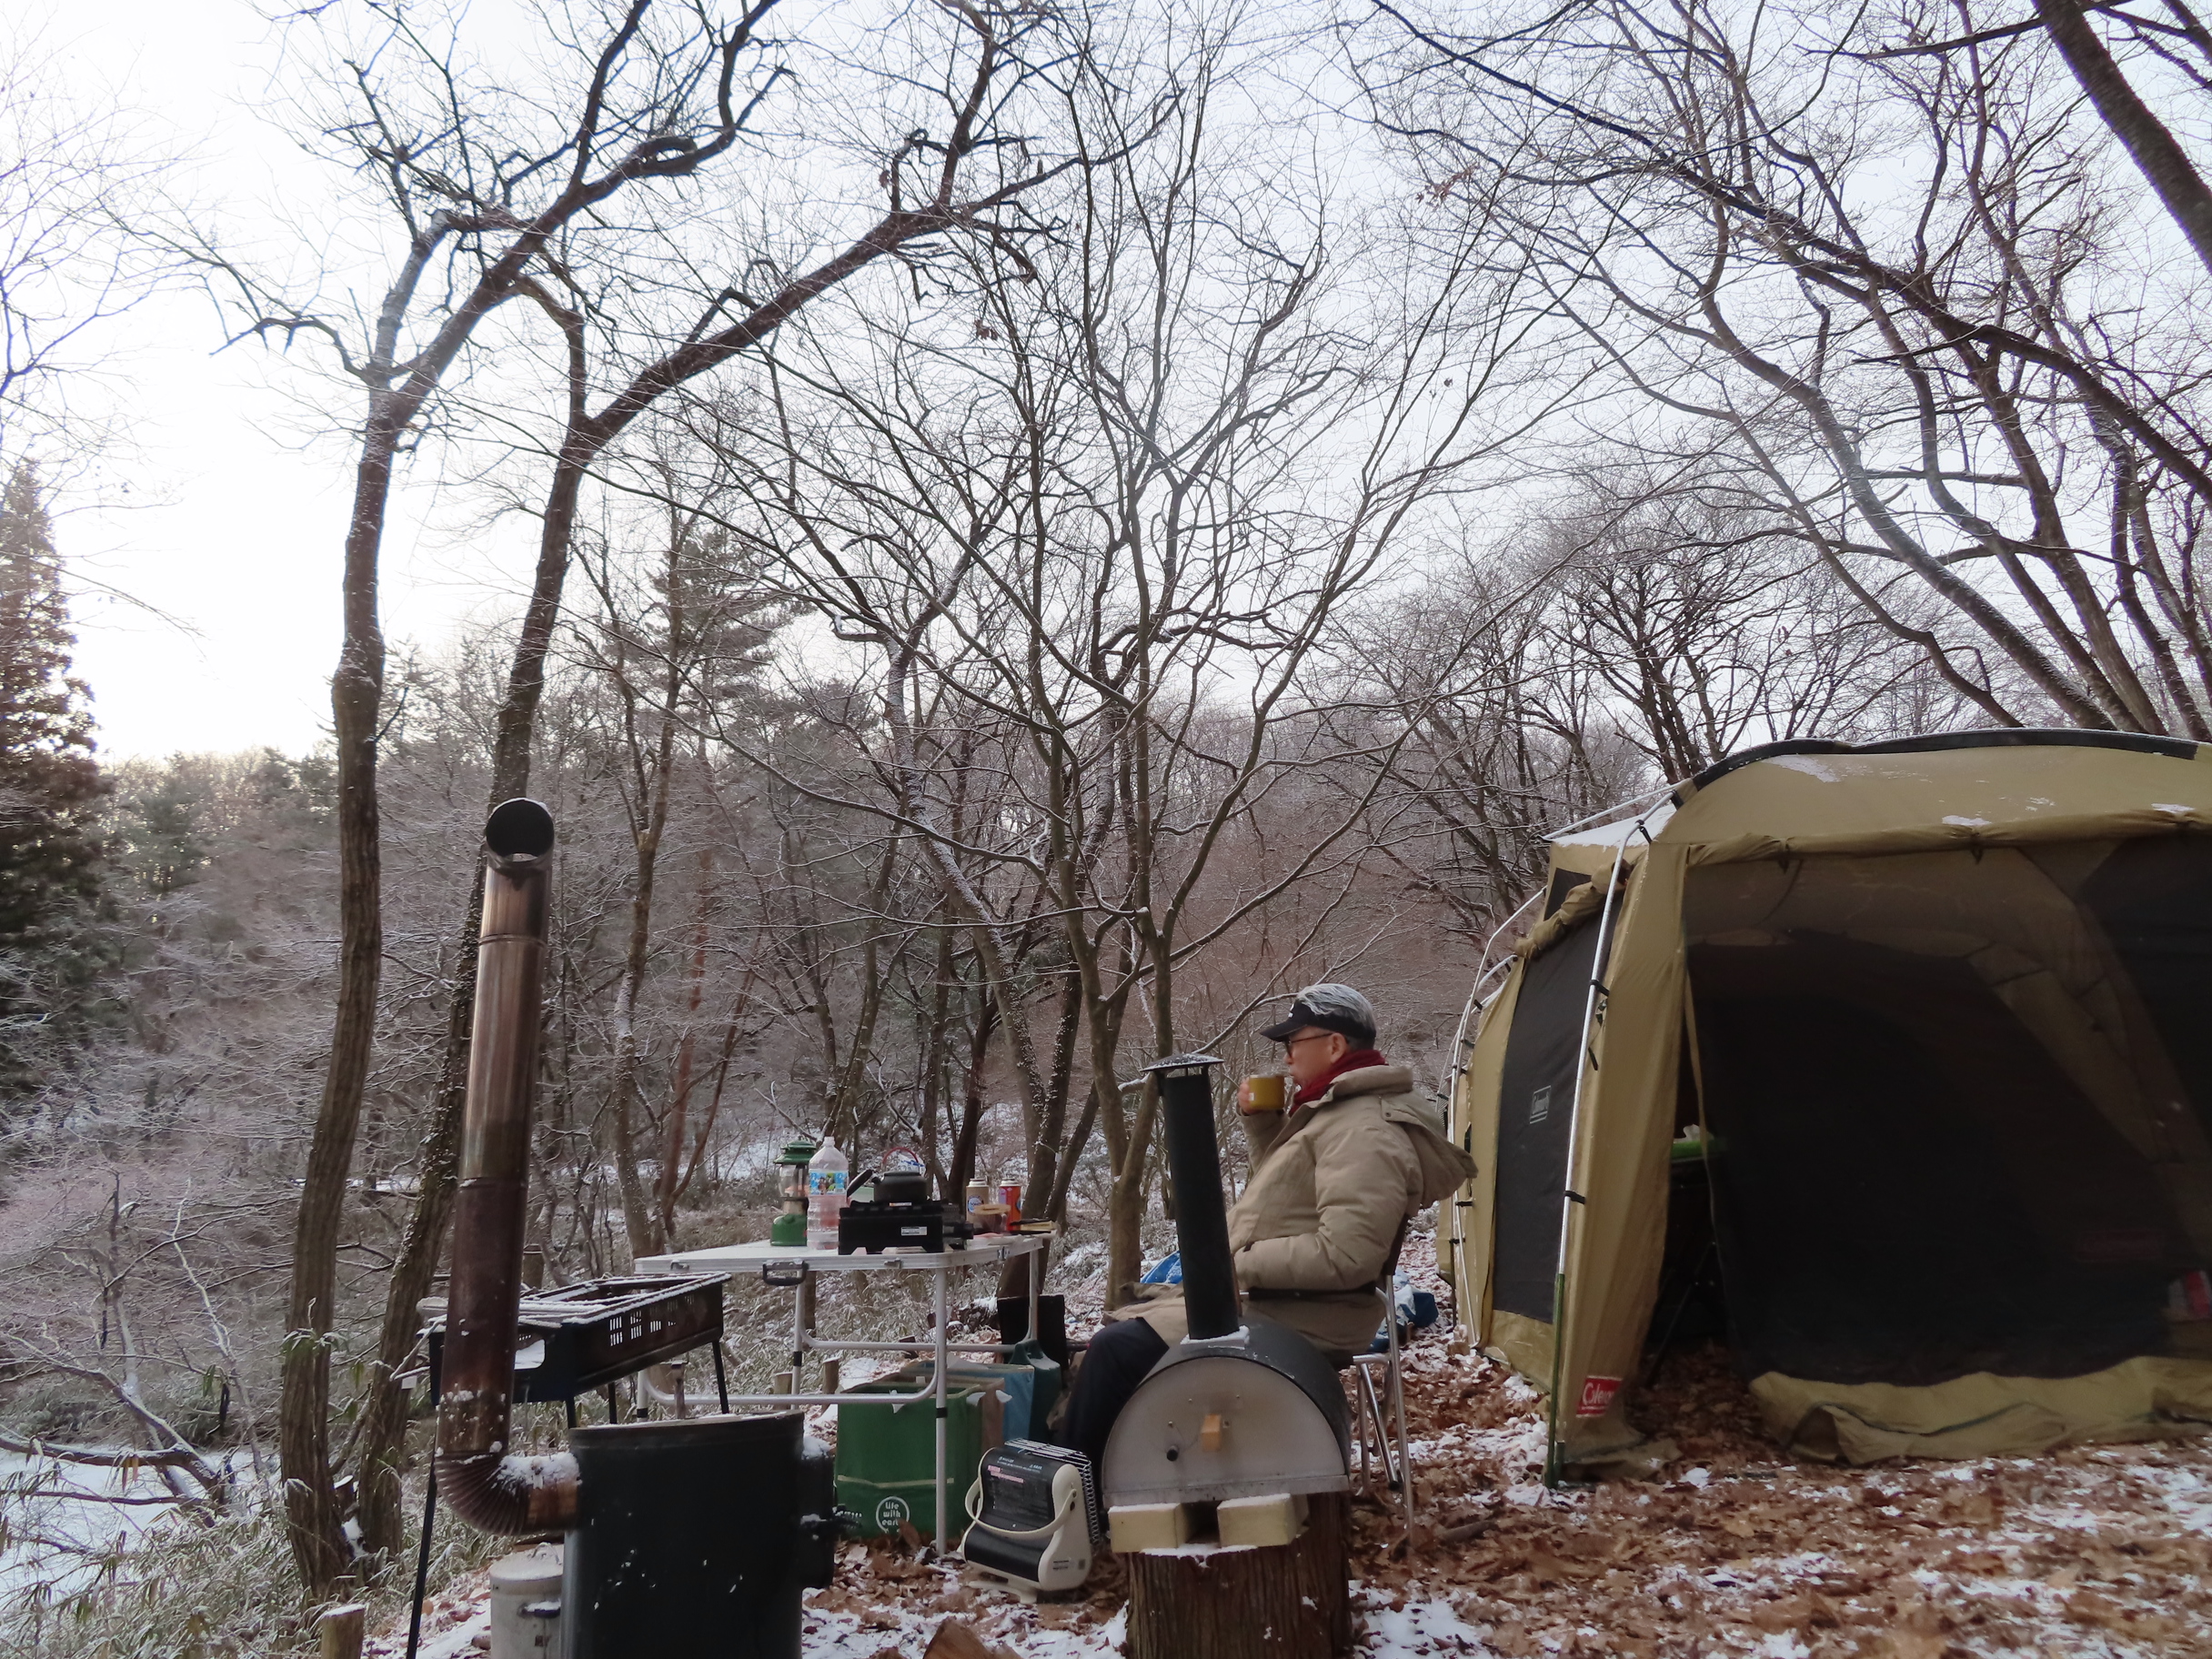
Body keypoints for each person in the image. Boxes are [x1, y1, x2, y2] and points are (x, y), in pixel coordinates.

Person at [1061, 982, 1476, 1477]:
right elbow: (1286, 1203)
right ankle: (1114, 1480)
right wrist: (1264, 1126)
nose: (1286, 1056)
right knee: (1101, 1345)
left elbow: (1347, 1255)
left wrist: (1231, 1266)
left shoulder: (1364, 1130)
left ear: (1335, 1045)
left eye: (1294, 1042)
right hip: (1276, 1301)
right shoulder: (1333, 1113)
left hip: (1301, 1314)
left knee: (1113, 1354)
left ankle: (1074, 1497)